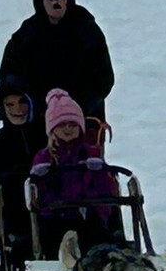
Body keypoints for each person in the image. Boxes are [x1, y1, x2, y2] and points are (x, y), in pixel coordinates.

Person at [0, 0, 114, 135]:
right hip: (37, 120)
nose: (56, 2)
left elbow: (103, 77)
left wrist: (71, 107)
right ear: (41, 0)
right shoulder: (27, 33)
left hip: (82, 120)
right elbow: (10, 73)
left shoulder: (87, 30)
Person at [29, 88, 122, 258]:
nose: (68, 129)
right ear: (52, 129)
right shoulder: (44, 158)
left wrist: (96, 210)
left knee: (97, 235)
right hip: (55, 220)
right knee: (54, 237)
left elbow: (103, 188)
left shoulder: (91, 155)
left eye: (72, 124)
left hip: (87, 218)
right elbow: (39, 194)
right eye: (61, 125)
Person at [0, 75, 46, 271]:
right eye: (9, 104)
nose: (17, 110)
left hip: (51, 208)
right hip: (16, 216)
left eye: (22, 102)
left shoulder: (46, 135)